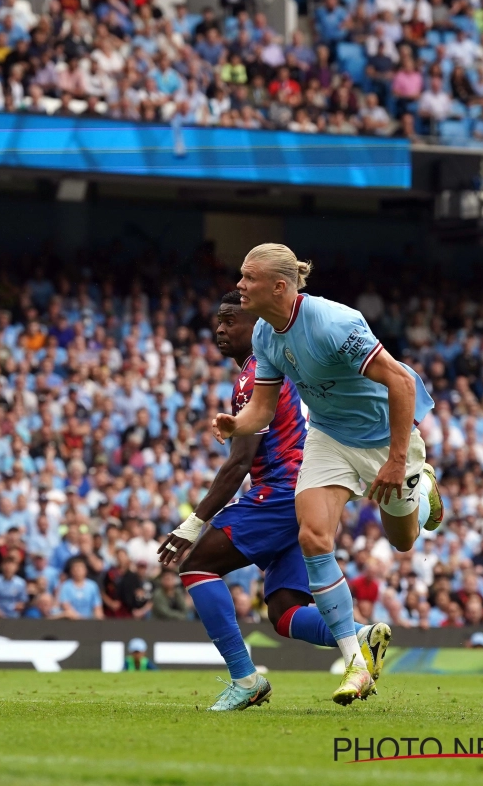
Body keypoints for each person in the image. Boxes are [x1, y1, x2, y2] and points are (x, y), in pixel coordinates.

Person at [212, 244, 443, 706]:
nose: (239, 286)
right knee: (313, 537)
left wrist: (398, 461)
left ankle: (423, 490)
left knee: (403, 539)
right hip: (329, 438)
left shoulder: (334, 322)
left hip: (384, 438)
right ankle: (356, 661)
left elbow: (399, 381)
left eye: (248, 277)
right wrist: (237, 425)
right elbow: (260, 408)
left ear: (279, 286)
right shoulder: (264, 335)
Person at [158, 291, 390, 711]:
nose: (220, 328)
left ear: (258, 326)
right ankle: (359, 636)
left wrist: (191, 525)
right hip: (305, 492)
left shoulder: (254, 378)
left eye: (231, 320)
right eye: (219, 320)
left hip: (281, 494)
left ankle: (245, 679)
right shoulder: (283, 368)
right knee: (283, 611)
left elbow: (239, 463)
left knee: (197, 565)